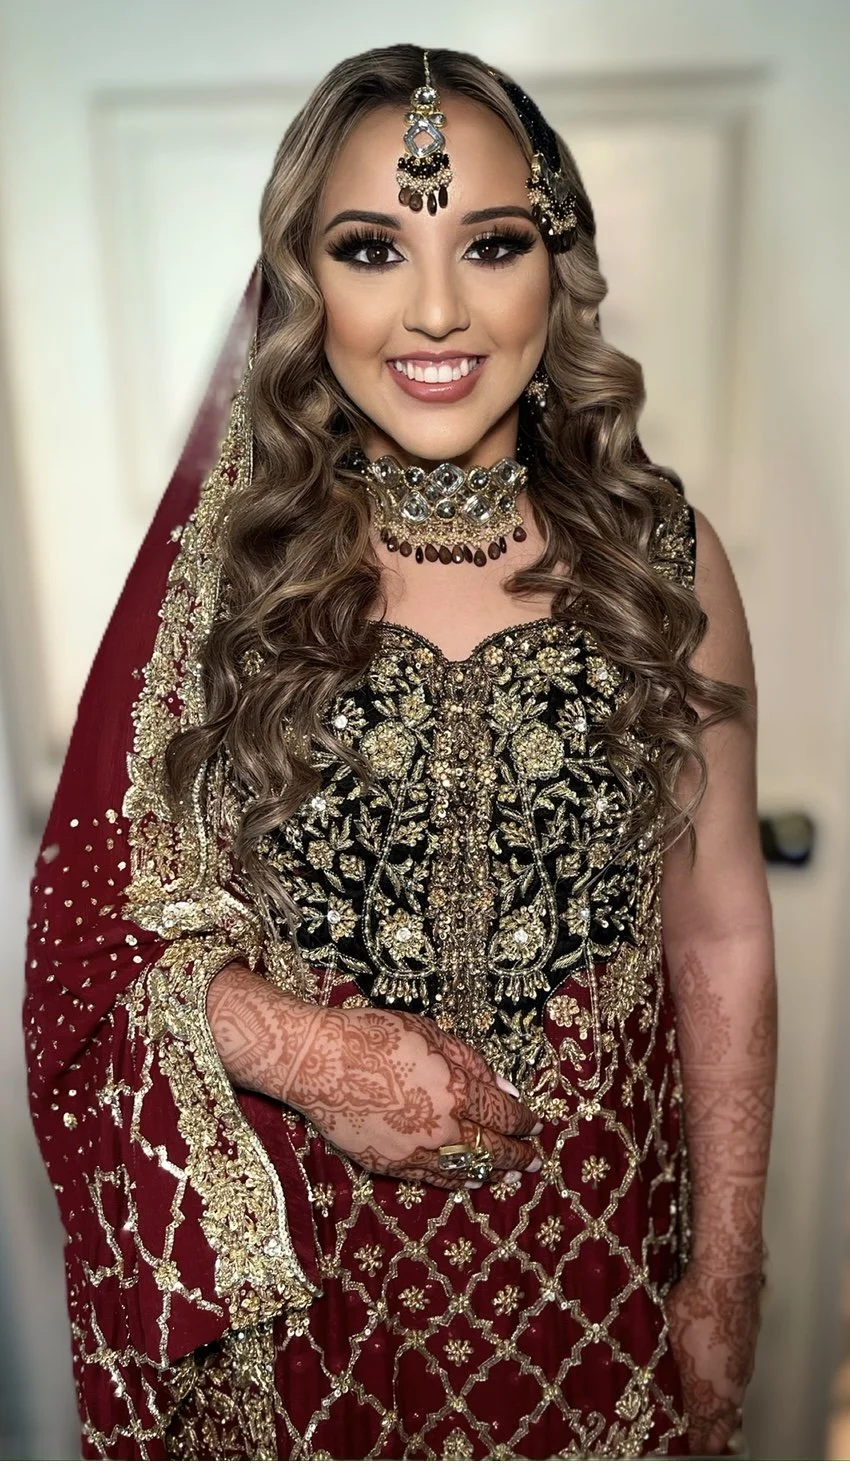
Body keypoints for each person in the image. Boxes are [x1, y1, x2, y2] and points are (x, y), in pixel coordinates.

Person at [23, 43, 776, 1461]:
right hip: (312, 1301)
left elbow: (721, 923)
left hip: (597, 1282)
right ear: (304, 283)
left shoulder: (660, 562)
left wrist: (726, 1269)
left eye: (490, 244)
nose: (437, 309)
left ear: (557, 268)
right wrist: (302, 1045)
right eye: (372, 247)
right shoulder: (226, 579)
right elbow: (86, 937)